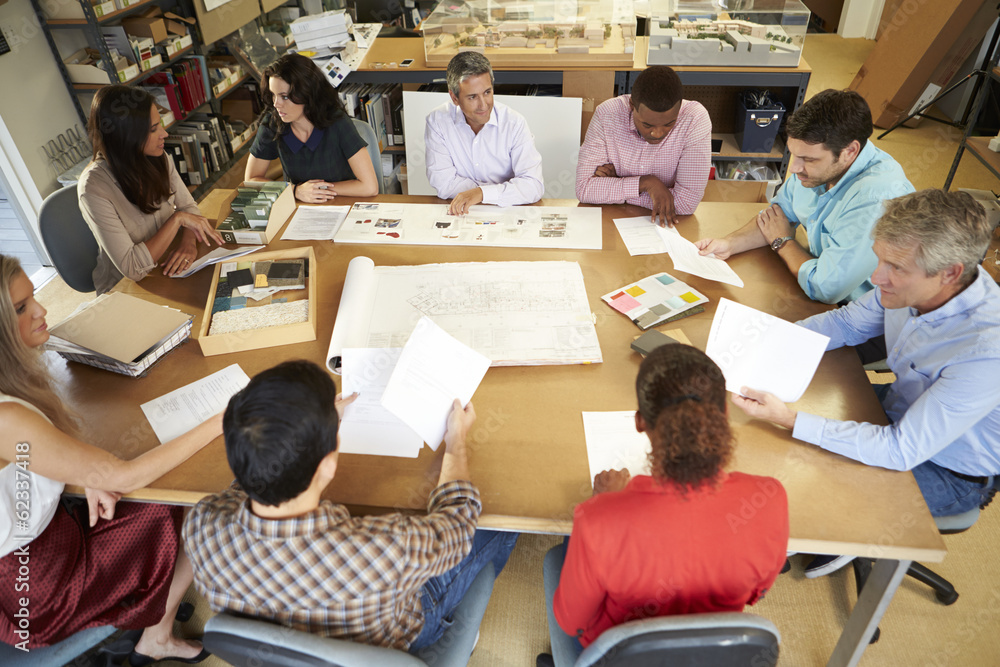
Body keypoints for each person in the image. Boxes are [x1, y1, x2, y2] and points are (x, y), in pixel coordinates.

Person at [734, 189, 1000, 578]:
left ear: (950, 273)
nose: (877, 278)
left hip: (947, 467)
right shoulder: (913, 285)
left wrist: (791, 420)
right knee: (775, 437)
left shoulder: (985, 349)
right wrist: (773, 342)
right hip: (896, 409)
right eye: (880, 259)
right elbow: (845, 323)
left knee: (799, 478)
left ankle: (849, 532)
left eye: (895, 267)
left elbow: (900, 450)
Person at [182, 360, 517, 652]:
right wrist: (456, 442)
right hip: (394, 638)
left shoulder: (201, 524)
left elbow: (244, 485)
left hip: (278, 646)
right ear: (329, 462)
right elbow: (457, 523)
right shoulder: (387, 549)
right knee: (501, 520)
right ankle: (452, 629)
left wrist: (307, 430)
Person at [0, 254, 221, 663]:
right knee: (188, 501)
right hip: (40, 591)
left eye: (33, 298)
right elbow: (127, 474)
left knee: (139, 486)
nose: (43, 310)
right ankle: (156, 637)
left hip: (32, 556)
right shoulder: (7, 418)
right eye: (21, 308)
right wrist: (221, 420)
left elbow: (38, 458)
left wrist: (88, 474)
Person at [538, 345, 788, 667]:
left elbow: (572, 623)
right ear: (725, 414)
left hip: (616, 657)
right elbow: (757, 593)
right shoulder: (770, 498)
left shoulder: (598, 520)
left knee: (557, 556)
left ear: (640, 422)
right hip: (713, 657)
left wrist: (605, 501)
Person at [696, 89, 914, 305]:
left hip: (867, 309)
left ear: (850, 151)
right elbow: (776, 217)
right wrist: (728, 244)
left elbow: (826, 288)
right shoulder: (819, 170)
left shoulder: (876, 199)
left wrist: (782, 242)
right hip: (815, 275)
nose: (794, 168)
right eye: (794, 155)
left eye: (808, 159)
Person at [79, 85, 224, 295]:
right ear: (127, 136)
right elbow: (134, 269)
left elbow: (188, 207)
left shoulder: (158, 157)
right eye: (153, 129)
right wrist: (177, 220)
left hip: (168, 264)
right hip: (127, 289)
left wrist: (188, 242)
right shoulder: (93, 189)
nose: (164, 134)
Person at [575, 65, 711, 227]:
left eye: (669, 124)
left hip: (669, 227)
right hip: (612, 222)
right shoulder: (607, 115)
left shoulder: (694, 120)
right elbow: (584, 189)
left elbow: (686, 203)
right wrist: (647, 184)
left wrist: (617, 183)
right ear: (632, 105)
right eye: (647, 125)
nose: (657, 133)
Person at [245, 53, 379, 203]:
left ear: (306, 94)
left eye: (284, 96)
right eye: (273, 95)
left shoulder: (338, 123)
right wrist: (295, 190)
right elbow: (251, 181)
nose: (276, 104)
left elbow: (369, 187)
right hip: (300, 207)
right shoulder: (273, 123)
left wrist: (316, 191)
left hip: (342, 202)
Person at [424, 52, 544, 215]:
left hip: (508, 213)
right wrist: (505, 191)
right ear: (455, 98)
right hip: (462, 213)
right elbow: (443, 184)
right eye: (472, 97)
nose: (483, 105)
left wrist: (481, 193)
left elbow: (533, 186)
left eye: (487, 92)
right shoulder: (437, 121)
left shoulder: (514, 123)